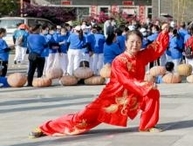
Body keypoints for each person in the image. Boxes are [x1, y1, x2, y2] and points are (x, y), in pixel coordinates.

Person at [29, 24, 170, 138]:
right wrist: (145, 84)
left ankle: (148, 125)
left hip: (133, 94)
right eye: (132, 42)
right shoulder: (119, 61)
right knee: (82, 119)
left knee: (152, 93)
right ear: (126, 43)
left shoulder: (141, 56)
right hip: (112, 97)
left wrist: (163, 32)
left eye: (138, 42)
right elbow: (125, 80)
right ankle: (46, 127)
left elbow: (155, 49)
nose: (135, 45)